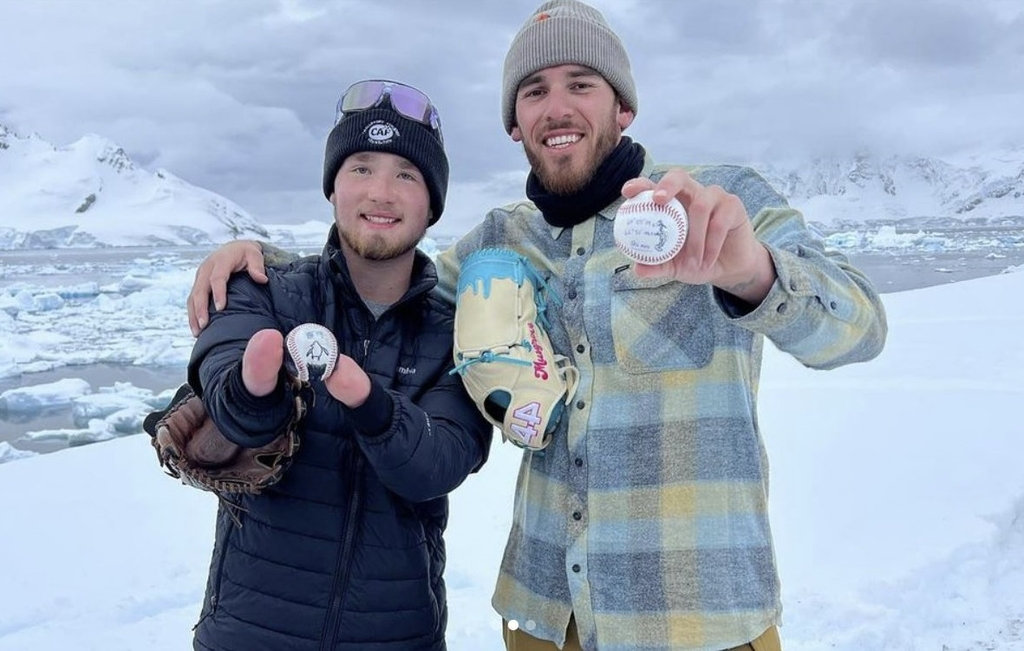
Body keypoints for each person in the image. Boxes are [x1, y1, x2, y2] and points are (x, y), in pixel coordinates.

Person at [187, 2, 888, 649]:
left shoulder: (713, 204)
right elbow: (388, 273)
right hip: (545, 618)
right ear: (514, 123)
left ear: (624, 106)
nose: (558, 106)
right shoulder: (500, 242)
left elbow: (859, 326)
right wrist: (260, 261)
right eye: (534, 90)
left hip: (700, 616)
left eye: (581, 83)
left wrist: (752, 272)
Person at [184, 78, 492, 651]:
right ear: (332, 189)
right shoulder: (265, 293)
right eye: (360, 168)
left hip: (397, 634)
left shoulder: (455, 330)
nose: (381, 192)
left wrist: (370, 405)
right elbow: (227, 394)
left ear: (432, 206)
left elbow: (440, 462)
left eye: (406, 175)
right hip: (250, 634)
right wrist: (255, 393)